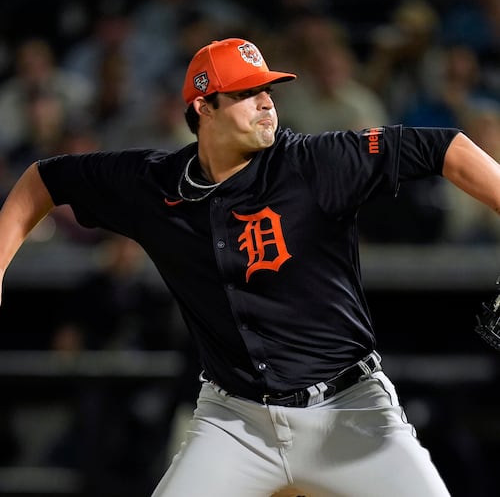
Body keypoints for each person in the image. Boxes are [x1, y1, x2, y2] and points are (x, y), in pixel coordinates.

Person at [0, 37, 499, 497]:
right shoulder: (153, 183)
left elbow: (441, 147)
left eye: (268, 89)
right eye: (247, 92)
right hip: (235, 422)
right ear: (203, 106)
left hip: (350, 410)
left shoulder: (313, 164)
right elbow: (44, 180)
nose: (267, 103)